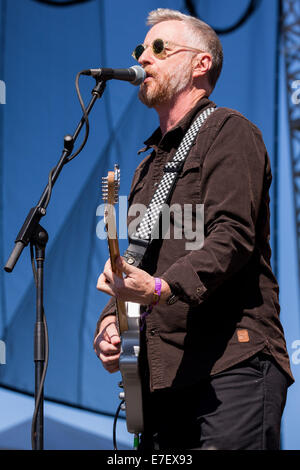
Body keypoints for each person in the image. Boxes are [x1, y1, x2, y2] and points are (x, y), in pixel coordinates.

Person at [93, 8, 294, 450]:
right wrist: (111, 323)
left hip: (230, 366)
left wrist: (162, 288)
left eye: (159, 48)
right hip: (164, 380)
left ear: (200, 64)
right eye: (140, 49)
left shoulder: (230, 132)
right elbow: (138, 262)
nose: (144, 58)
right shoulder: (148, 164)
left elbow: (232, 236)